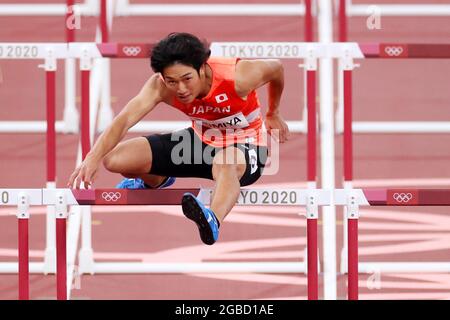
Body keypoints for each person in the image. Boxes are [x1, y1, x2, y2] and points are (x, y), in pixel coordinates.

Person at [68, 32, 289, 245]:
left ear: (202, 67)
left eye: (187, 79)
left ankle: (212, 220)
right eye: (172, 81)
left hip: (245, 148)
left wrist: (273, 113)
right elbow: (124, 119)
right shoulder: (160, 86)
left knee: (226, 161)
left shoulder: (239, 76)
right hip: (199, 144)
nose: (181, 89)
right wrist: (92, 157)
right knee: (115, 160)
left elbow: (276, 69)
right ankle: (158, 179)